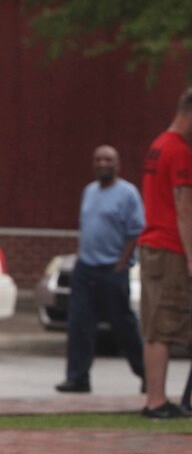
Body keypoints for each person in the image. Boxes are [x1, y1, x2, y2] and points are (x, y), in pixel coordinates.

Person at [138, 87, 192, 419]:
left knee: (153, 324)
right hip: (169, 247)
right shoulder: (180, 151)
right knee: (164, 324)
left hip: (152, 243)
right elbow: (184, 206)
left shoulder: (157, 146)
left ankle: (155, 397)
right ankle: (157, 401)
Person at [56, 145, 146, 394]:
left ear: (117, 164)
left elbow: (135, 231)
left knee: (123, 325)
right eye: (98, 159)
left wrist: (121, 263)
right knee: (79, 324)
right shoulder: (89, 191)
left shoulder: (128, 193)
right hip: (85, 268)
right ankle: (78, 378)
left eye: (108, 159)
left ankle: (147, 374)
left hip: (112, 269)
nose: (103, 163)